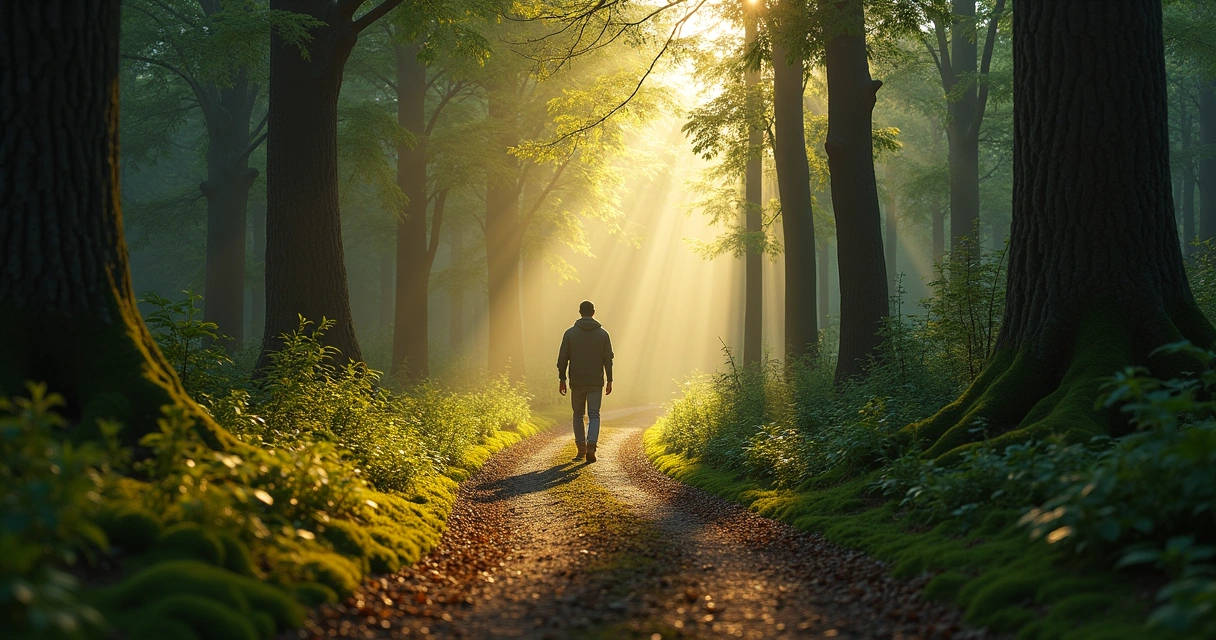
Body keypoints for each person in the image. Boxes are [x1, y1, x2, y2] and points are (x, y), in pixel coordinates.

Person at [557, 300, 614, 463]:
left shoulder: (570, 333)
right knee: (594, 414)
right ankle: (591, 446)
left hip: (577, 381)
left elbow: (563, 358)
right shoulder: (603, 334)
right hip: (596, 381)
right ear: (593, 312)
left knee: (577, 415)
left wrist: (562, 378)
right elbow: (608, 359)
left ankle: (581, 448)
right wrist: (610, 379)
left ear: (580, 312)